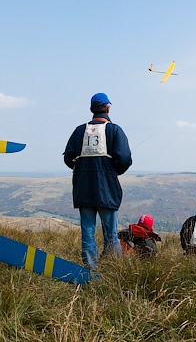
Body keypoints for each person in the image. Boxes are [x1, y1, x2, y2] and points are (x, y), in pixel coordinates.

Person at [63, 93, 132, 270]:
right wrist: (113, 171)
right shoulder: (115, 130)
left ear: (91, 109)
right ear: (108, 108)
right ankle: (112, 267)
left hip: (83, 187)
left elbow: (68, 157)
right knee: (110, 232)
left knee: (87, 231)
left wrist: (81, 170)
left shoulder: (79, 131)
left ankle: (90, 269)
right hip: (107, 187)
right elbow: (124, 158)